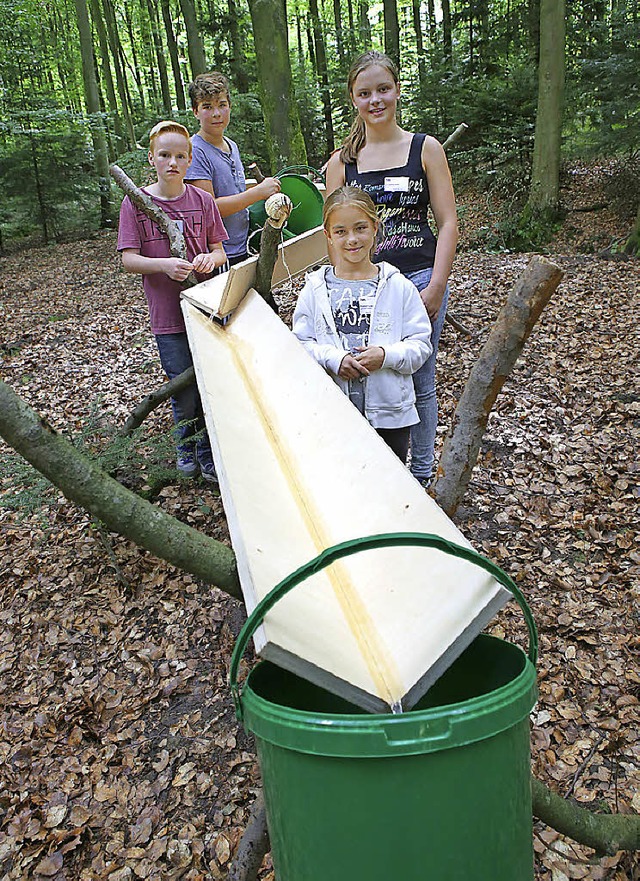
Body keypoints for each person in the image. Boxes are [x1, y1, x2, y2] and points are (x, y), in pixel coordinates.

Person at [326, 50, 458, 487]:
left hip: (417, 280)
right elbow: (333, 234)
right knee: (365, 380)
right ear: (353, 99)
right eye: (365, 93)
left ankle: (419, 480)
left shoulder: (425, 149)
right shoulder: (341, 164)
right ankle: (373, 477)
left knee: (417, 378)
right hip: (362, 286)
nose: (375, 100)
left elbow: (448, 220)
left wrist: (437, 284)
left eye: (383, 89)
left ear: (397, 91)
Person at [117, 120, 228, 482]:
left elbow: (219, 250)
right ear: (151, 158)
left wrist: (210, 259)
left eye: (180, 156)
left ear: (190, 159)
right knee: (182, 389)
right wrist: (164, 264)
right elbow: (128, 258)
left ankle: (211, 455)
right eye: (164, 155)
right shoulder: (136, 203)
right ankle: (186, 451)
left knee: (211, 385)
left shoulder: (203, 201)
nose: (172, 163)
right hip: (168, 317)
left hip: (207, 311)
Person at [293, 186, 432, 463]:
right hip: (332, 411)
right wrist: (334, 359)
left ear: (374, 228)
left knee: (389, 487)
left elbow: (420, 345)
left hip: (390, 414)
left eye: (360, 228)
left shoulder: (399, 287)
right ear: (328, 236)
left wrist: (385, 355)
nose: (352, 239)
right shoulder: (314, 289)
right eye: (341, 231)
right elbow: (299, 345)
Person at [185, 71, 281, 265]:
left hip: (242, 246)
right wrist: (257, 193)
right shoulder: (194, 151)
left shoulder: (231, 145)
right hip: (217, 254)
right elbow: (209, 208)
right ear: (195, 111)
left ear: (229, 106)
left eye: (222, 105)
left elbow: (234, 192)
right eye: (207, 107)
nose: (217, 113)